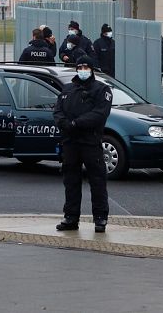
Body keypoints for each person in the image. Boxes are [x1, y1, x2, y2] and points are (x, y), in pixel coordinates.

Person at [53, 56, 112, 233]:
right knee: (70, 180)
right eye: (80, 67)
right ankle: (71, 217)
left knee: (97, 181)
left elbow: (100, 114)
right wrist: (65, 124)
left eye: (86, 67)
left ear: (92, 69)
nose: (83, 70)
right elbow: (57, 111)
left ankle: (100, 218)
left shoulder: (101, 89)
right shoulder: (68, 89)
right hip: (71, 142)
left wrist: (77, 123)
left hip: (90, 142)